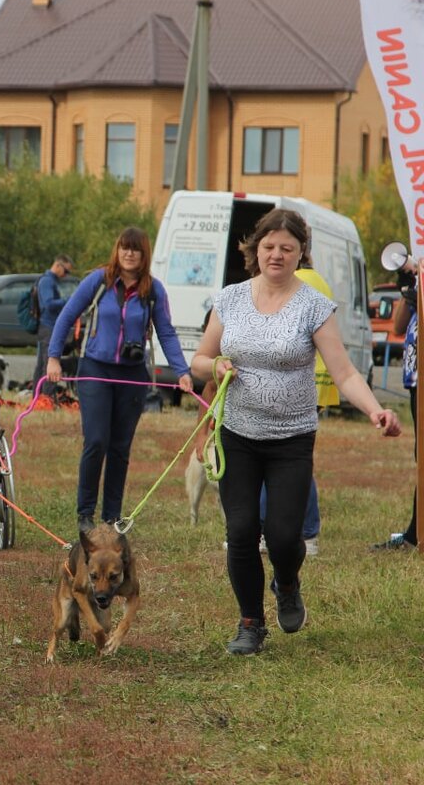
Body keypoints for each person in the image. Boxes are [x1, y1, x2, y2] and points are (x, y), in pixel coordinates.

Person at [191, 208, 401, 656]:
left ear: (300, 252)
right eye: (269, 246)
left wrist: (374, 410)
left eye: (287, 248)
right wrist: (217, 364)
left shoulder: (313, 306)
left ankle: (286, 582)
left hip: (291, 438)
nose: (277, 255)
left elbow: (344, 373)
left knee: (286, 536)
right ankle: (250, 623)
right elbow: (199, 360)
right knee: (243, 529)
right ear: (256, 249)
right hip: (238, 434)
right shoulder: (229, 298)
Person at [46, 227, 193, 532]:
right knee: (97, 440)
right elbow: (66, 316)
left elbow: (166, 332)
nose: (129, 254)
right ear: (117, 250)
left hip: (132, 374)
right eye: (124, 248)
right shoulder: (99, 281)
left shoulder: (154, 291)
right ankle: (85, 513)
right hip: (95, 369)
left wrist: (182, 371)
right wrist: (53, 357)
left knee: (120, 446)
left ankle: (111, 516)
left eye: (135, 249)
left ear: (143, 254)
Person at [373, 260, 420, 551]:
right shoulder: (419, 283)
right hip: (416, 382)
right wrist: (408, 292)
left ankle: (416, 534)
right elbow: (399, 326)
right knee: (421, 456)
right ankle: (415, 533)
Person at [27, 255, 75, 398]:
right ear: (58, 265)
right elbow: (48, 304)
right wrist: (68, 300)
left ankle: (37, 398)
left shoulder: (48, 280)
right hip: (48, 328)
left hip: (46, 327)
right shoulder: (47, 281)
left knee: (41, 365)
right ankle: (46, 399)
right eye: (66, 272)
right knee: (50, 365)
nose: (65, 276)